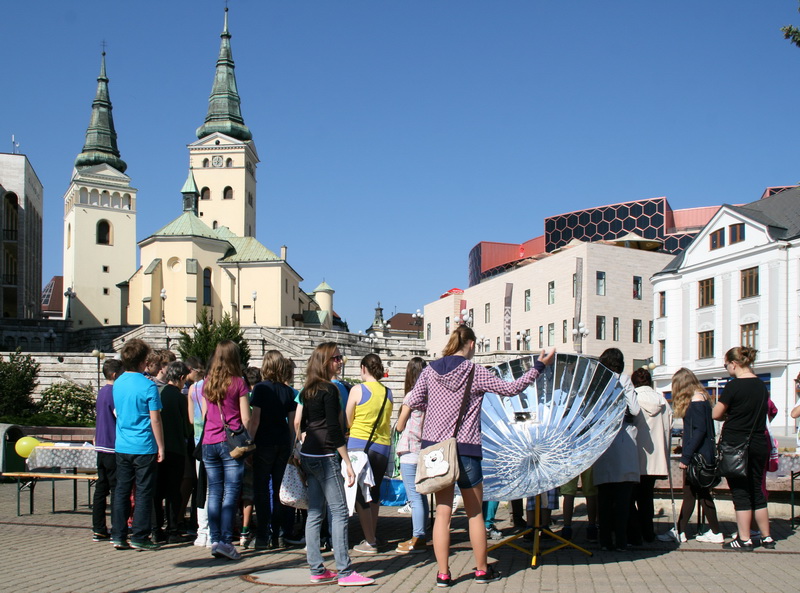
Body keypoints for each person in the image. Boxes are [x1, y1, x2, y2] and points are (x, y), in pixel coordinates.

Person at [404, 325, 555, 587]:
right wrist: (539, 366)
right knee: (475, 514)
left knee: (443, 513)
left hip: (437, 453)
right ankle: (482, 571)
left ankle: (443, 574)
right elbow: (512, 389)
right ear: (471, 344)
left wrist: (437, 407)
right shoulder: (475, 372)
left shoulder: (429, 371)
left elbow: (413, 400)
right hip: (467, 451)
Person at [298, 343, 374, 586]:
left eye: (341, 357)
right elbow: (334, 428)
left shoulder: (308, 389)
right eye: (336, 358)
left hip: (309, 454)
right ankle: (344, 571)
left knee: (315, 512)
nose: (340, 361)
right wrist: (347, 462)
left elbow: (305, 424)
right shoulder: (329, 390)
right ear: (325, 361)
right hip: (326, 454)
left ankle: (317, 568)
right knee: (340, 512)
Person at [713, 346, 775, 550]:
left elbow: (716, 413)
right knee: (757, 489)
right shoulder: (761, 385)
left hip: (736, 445)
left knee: (740, 492)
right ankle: (766, 537)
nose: (726, 368)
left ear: (734, 363)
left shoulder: (733, 386)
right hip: (758, 442)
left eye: (726, 364)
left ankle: (744, 538)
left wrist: (727, 414)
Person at [111, 338, 165, 551]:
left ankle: (118, 534)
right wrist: (161, 446)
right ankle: (140, 535)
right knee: (143, 491)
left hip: (122, 444)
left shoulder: (118, 382)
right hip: (144, 445)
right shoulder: (148, 386)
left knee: (121, 490)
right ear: (144, 361)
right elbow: (156, 419)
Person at [656, 368, 720, 544]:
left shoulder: (696, 402)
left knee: (697, 493)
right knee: (694, 493)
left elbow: (699, 431)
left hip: (697, 457)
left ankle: (712, 531)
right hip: (702, 454)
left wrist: (686, 456)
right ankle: (682, 530)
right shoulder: (704, 399)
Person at [201, 340, 251, 561]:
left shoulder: (207, 382)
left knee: (214, 491)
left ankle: (215, 538)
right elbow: (246, 417)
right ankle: (226, 541)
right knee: (231, 493)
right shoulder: (238, 383)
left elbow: (204, 414)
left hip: (209, 441)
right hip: (230, 443)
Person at [592, 348, 640, 551]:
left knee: (604, 500)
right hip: (623, 446)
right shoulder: (624, 379)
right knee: (622, 501)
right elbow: (635, 410)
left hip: (603, 449)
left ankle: (605, 541)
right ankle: (621, 541)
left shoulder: (596, 382)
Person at [249, 350, 297, 550]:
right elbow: (293, 424)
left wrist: (249, 443)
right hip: (282, 442)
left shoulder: (260, 388)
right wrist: (293, 447)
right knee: (280, 490)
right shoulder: (288, 391)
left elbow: (255, 419)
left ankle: (262, 535)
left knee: (261, 490)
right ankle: (278, 534)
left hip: (264, 442)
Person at [346, 354, 393, 554]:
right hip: (382, 446)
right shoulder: (388, 392)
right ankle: (372, 534)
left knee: (359, 494)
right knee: (374, 492)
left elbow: (348, 419)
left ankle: (369, 540)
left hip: (359, 445)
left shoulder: (358, 390)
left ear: (364, 368)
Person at [630, 368, 672, 544]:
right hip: (655, 459)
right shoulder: (662, 401)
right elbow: (668, 428)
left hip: (634, 456)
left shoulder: (633, 400)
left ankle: (634, 533)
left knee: (629, 498)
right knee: (647, 498)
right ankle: (648, 533)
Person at [153, 361, 193, 544]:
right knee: (173, 490)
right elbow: (187, 426)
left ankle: (155, 528)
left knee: (157, 489)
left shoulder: (158, 393)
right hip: (176, 448)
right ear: (182, 378)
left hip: (157, 448)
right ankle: (173, 528)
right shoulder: (179, 397)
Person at [395, 357, 429, 554]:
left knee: (414, 498)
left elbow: (400, 425)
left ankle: (418, 537)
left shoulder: (411, 396)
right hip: (424, 451)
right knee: (422, 497)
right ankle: (421, 534)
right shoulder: (430, 397)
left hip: (409, 451)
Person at [92, 358, 123, 542]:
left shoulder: (101, 392)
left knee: (100, 489)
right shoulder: (113, 392)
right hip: (112, 445)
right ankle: (117, 528)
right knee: (116, 490)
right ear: (114, 375)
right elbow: (119, 416)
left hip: (101, 445)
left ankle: (98, 528)